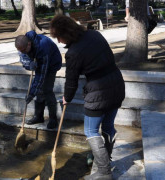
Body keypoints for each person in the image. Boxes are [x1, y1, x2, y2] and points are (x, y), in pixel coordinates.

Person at [50, 15, 125, 180]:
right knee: (107, 126)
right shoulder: (95, 34)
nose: (59, 41)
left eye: (59, 37)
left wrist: (66, 98)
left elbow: (71, 82)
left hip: (98, 92)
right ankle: (104, 161)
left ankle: (104, 172)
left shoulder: (73, 53)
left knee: (90, 131)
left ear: (66, 33)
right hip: (117, 84)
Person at [15, 31, 62, 129]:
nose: (22, 52)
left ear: (29, 44)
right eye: (21, 51)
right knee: (39, 90)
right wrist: (29, 64)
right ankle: (38, 116)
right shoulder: (22, 46)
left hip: (52, 64)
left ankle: (53, 118)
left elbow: (41, 75)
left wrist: (32, 94)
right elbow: (24, 60)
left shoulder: (43, 46)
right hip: (39, 61)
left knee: (47, 89)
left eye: (24, 50)